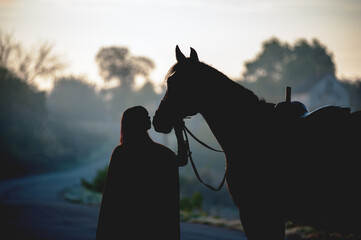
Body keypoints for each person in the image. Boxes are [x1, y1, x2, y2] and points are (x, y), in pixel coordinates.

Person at [96, 106, 188, 240]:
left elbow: (111, 198)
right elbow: (181, 160)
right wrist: (179, 131)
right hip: (153, 225)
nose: (149, 118)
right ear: (137, 122)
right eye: (145, 116)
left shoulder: (121, 153)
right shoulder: (159, 152)